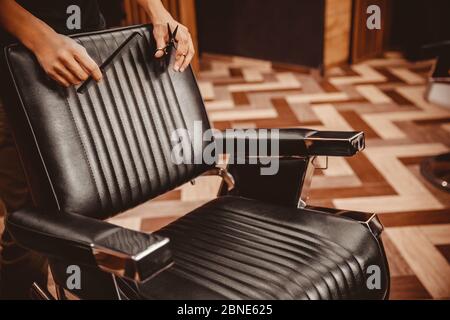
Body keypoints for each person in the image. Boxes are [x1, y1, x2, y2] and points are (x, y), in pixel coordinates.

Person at [0, 0, 195, 299]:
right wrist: (40, 38)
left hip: (87, 51)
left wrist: (159, 12)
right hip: (16, 63)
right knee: (32, 231)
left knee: (85, 210)